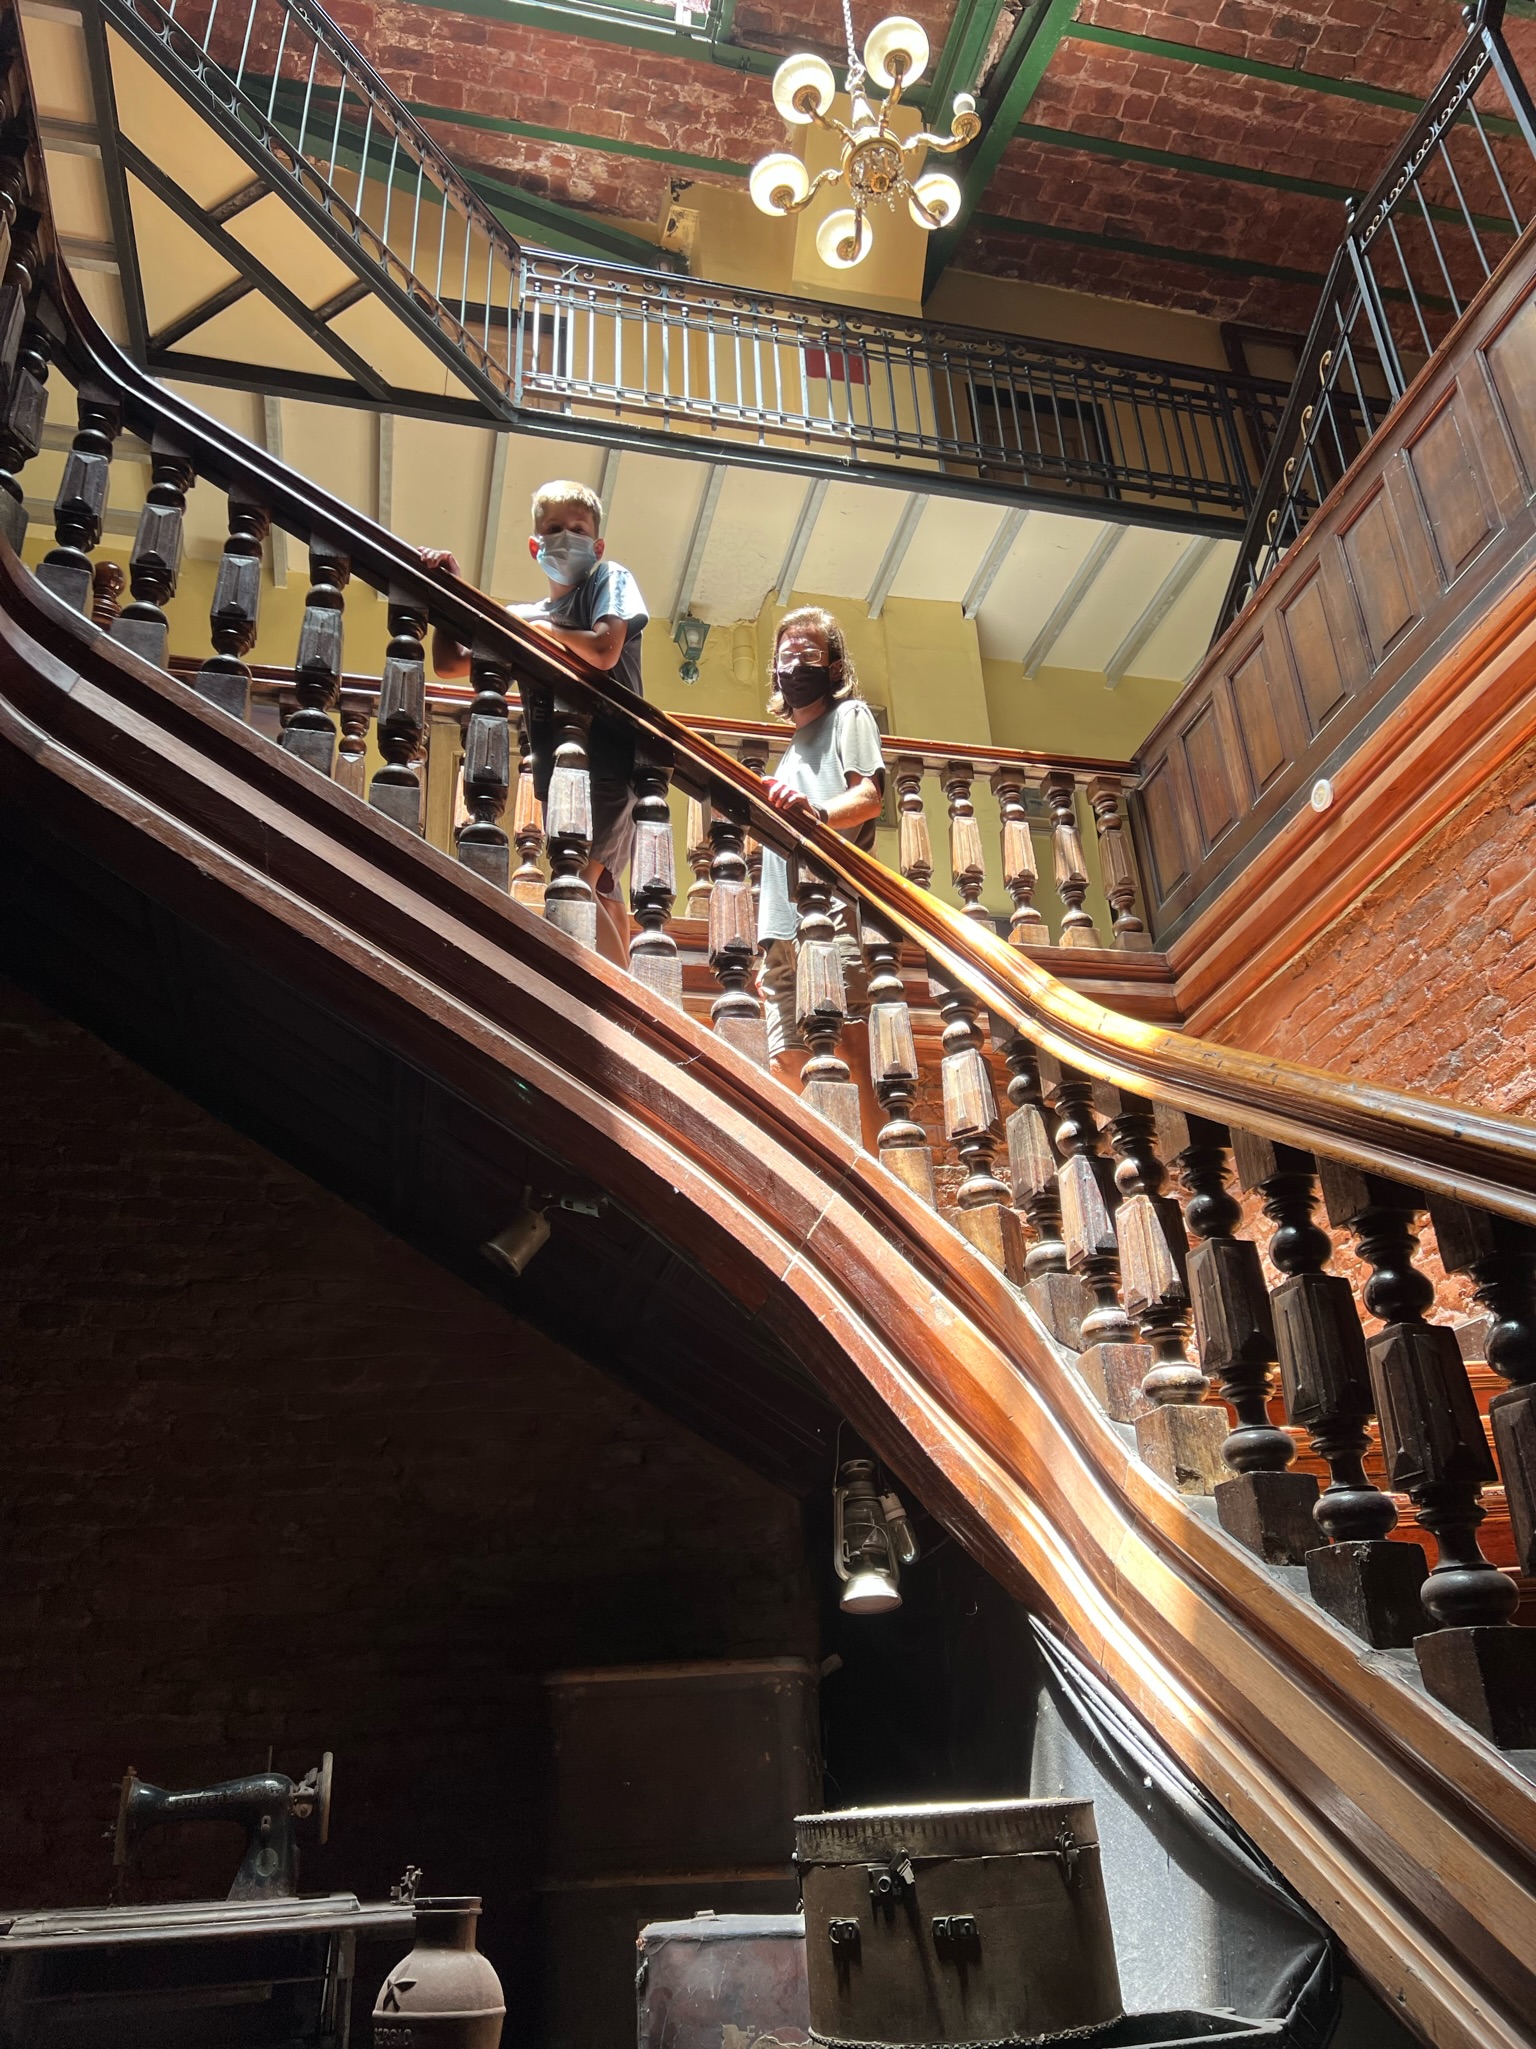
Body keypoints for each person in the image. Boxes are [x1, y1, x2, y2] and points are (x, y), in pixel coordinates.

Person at [423, 480, 647, 970]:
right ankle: (627, 995)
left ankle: (617, 1001)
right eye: (554, 528)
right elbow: (450, 663)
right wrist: (446, 596)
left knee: (579, 882)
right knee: (599, 889)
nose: (567, 537)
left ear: (597, 545)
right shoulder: (522, 617)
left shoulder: (609, 579)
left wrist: (545, 632)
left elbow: (605, 650)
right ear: (535, 544)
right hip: (556, 771)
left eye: (579, 529)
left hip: (610, 763)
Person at [755, 607, 887, 1153]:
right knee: (787, 1061)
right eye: (786, 655)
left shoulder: (849, 715)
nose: (795, 664)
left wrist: (817, 815)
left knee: (848, 1049)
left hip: (828, 909)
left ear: (833, 667)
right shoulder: (789, 750)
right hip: (779, 924)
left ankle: (880, 1180)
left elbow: (869, 796)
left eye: (808, 654)